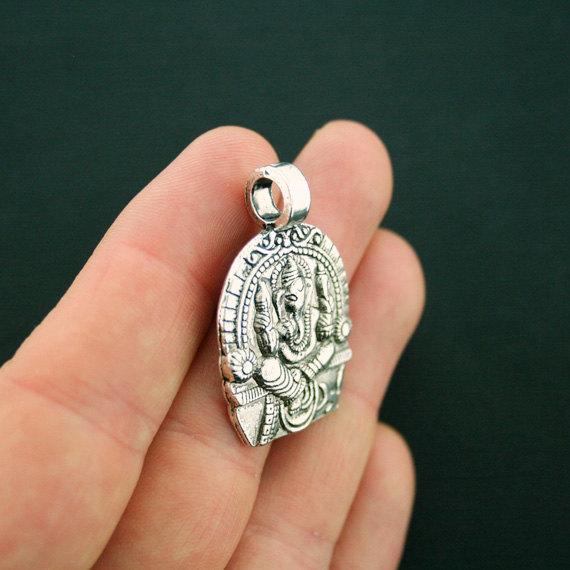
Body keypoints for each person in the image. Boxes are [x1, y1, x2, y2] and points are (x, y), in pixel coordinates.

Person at [0, 121, 425, 568]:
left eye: (300, 295)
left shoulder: (314, 314)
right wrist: (262, 368)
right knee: (269, 371)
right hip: (274, 385)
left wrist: (309, 358)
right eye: (286, 297)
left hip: (310, 379)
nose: (294, 303)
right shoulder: (269, 315)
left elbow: (325, 343)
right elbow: (265, 350)